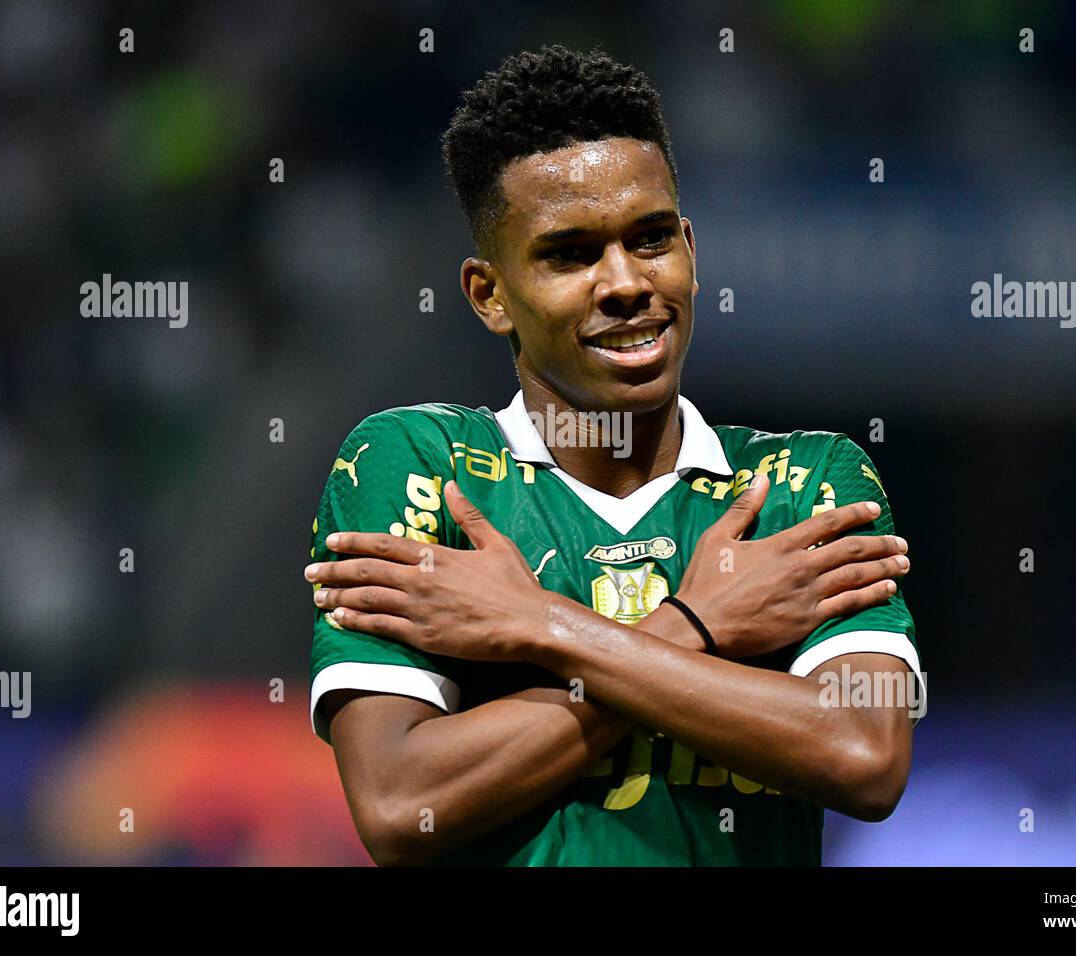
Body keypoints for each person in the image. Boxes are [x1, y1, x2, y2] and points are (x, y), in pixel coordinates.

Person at [304, 44, 922, 866]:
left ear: (692, 251)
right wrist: (695, 626)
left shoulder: (804, 480)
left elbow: (865, 756)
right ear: (490, 295)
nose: (626, 280)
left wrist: (539, 627)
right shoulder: (421, 466)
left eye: (652, 238)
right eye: (571, 253)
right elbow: (398, 802)